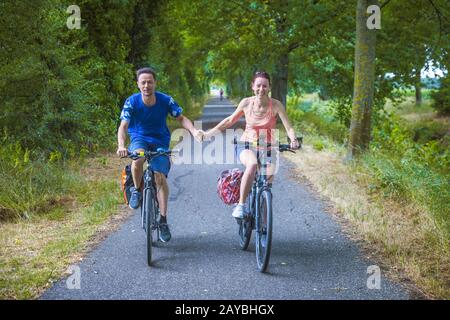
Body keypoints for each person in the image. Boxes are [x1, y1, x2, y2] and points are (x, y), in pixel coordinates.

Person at [117, 67, 203, 242]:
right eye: (143, 82)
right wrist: (121, 145)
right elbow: (123, 126)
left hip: (160, 141)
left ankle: (163, 220)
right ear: (138, 85)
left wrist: (194, 131)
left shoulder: (165, 100)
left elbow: (181, 118)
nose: (146, 85)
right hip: (139, 138)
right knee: (138, 158)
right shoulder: (132, 102)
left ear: (155, 83)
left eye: (150, 82)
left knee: (159, 177)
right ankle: (135, 189)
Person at [203, 71, 300, 219]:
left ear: (269, 87)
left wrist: (293, 140)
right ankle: (241, 206)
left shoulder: (276, 105)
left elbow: (289, 127)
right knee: (253, 164)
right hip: (246, 144)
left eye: (265, 86)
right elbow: (229, 121)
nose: (261, 89)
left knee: (267, 184)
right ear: (252, 87)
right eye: (258, 85)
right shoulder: (246, 103)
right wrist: (209, 134)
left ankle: (264, 224)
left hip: (268, 147)